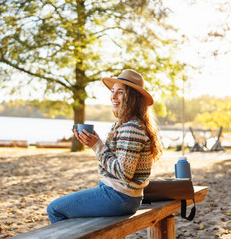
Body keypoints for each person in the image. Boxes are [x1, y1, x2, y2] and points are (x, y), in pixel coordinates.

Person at [46, 69, 162, 224]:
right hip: (121, 195)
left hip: (120, 197)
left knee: (54, 209)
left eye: (120, 92)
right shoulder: (126, 124)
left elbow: (123, 173)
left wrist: (97, 146)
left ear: (133, 98)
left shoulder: (131, 128)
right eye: (113, 91)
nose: (113, 96)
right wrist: (94, 142)